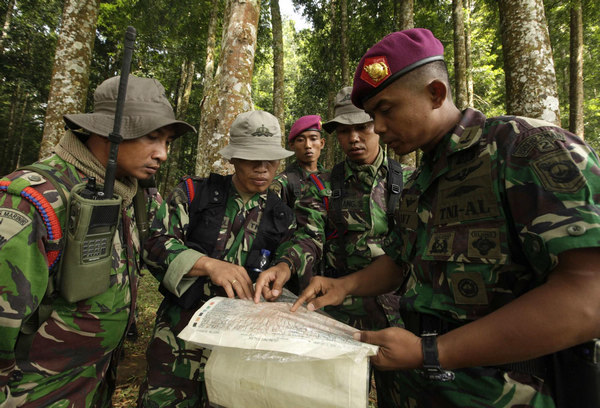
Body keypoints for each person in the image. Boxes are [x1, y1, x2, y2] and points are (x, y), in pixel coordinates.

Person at [292, 28, 600, 407]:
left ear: (435, 93)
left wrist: (432, 351)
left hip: (502, 391)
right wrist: (345, 286)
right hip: (417, 386)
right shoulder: (420, 181)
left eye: (385, 111)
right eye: (374, 115)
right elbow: (399, 264)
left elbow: (589, 295)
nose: (379, 127)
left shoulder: (524, 149)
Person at [0, 75, 195, 407]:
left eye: (168, 142)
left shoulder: (133, 194)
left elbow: (158, 243)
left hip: (93, 384)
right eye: (152, 137)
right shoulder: (35, 200)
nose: (162, 154)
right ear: (109, 130)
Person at [256, 86, 414, 407]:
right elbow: (307, 235)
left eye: (362, 127)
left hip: (400, 317)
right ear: (337, 136)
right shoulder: (323, 184)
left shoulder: (411, 181)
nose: (354, 137)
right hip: (341, 318)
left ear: (378, 127)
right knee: (336, 398)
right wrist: (286, 265)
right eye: (345, 130)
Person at [137, 110, 297, 407]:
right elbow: (155, 245)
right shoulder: (194, 193)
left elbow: (292, 258)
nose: (263, 168)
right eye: (252, 158)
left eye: (271, 159)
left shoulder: (282, 215)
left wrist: (282, 269)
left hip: (241, 348)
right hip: (179, 340)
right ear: (233, 158)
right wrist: (208, 265)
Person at [271, 114, 327, 209]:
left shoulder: (333, 178)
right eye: (301, 140)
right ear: (292, 145)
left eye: (313, 139)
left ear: (321, 143)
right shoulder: (282, 183)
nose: (308, 145)